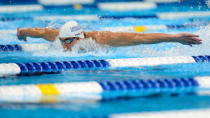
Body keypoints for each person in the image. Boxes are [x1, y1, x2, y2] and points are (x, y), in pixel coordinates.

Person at [17, 21, 202, 51]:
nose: (65, 46)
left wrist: (174, 37)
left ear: (79, 38)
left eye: (68, 41)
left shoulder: (102, 38)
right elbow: (32, 31)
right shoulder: (55, 36)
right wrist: (21, 34)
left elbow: (141, 38)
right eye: (62, 41)